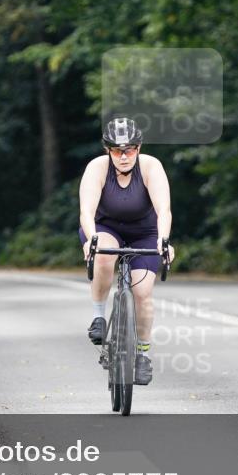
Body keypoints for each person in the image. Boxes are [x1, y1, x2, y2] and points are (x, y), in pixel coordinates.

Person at [79, 117, 174, 385]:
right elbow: (86, 211)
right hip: (105, 228)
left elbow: (163, 210)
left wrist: (163, 240)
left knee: (143, 293)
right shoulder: (97, 168)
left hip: (145, 233)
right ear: (107, 150)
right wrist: (92, 238)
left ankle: (142, 354)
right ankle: (99, 317)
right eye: (117, 150)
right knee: (105, 254)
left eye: (129, 149)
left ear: (139, 148)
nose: (123, 156)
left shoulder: (151, 167)